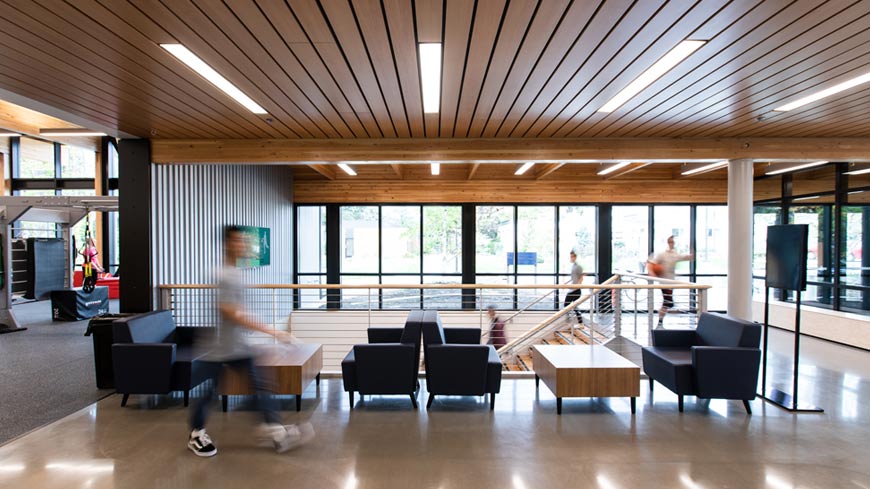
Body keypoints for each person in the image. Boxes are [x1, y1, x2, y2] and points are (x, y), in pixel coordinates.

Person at [188, 226, 314, 457]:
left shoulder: (236, 273)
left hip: (236, 345)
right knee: (211, 392)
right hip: (218, 348)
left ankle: (274, 428)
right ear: (227, 244)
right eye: (238, 241)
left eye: (244, 241)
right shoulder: (223, 274)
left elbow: (239, 312)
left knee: (261, 384)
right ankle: (197, 433)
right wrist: (274, 332)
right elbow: (232, 313)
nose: (243, 246)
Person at [647, 235, 694, 328]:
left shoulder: (674, 254)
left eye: (673, 242)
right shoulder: (662, 254)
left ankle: (660, 321)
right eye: (671, 242)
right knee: (668, 302)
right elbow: (651, 264)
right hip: (664, 283)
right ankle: (660, 321)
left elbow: (683, 257)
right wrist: (653, 274)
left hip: (671, 282)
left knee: (667, 303)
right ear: (668, 243)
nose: (672, 244)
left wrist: (690, 256)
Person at [563, 250, 584, 324]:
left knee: (567, 304)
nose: (570, 258)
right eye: (570, 257)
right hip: (572, 289)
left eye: (572, 257)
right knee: (574, 306)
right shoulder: (573, 266)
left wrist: (577, 286)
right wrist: (566, 284)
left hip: (576, 290)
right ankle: (579, 322)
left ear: (575, 257)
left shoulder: (578, 267)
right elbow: (573, 278)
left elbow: (581, 277)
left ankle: (570, 321)